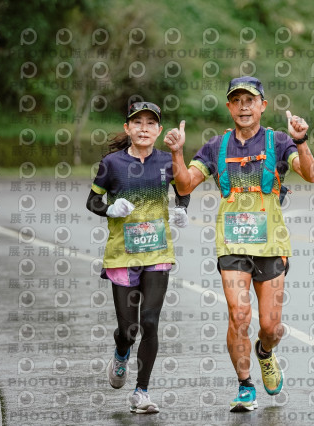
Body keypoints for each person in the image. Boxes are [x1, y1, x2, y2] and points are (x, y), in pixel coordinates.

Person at [163, 76, 314, 412]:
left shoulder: (279, 142)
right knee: (238, 315)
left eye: (250, 100)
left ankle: (265, 352)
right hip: (231, 244)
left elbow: (310, 174)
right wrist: (176, 153)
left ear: (262, 106)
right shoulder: (216, 146)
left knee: (270, 327)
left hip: (271, 245)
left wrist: (301, 141)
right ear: (229, 107)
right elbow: (185, 185)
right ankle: (245, 385)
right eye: (237, 101)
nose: (244, 107)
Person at [86, 101, 190, 414]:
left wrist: (182, 208)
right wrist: (109, 209)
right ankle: (121, 353)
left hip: (158, 252)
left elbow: (183, 188)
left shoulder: (167, 161)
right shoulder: (111, 164)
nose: (144, 128)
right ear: (127, 128)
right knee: (128, 331)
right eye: (137, 122)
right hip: (122, 256)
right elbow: (92, 201)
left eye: (150, 123)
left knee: (150, 322)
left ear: (159, 130)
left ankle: (141, 392)